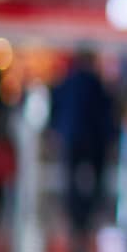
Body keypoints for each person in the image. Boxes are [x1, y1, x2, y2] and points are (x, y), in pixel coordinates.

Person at [50, 47, 118, 233]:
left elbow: (55, 109)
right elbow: (107, 114)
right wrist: (110, 137)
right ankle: (88, 212)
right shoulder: (98, 84)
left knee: (71, 176)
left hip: (72, 136)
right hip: (94, 139)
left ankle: (75, 213)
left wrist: (56, 131)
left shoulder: (66, 83)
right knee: (96, 177)